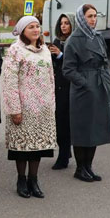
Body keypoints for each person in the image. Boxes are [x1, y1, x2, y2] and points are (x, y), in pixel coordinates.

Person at [2, 16, 57, 198]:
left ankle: (34, 180)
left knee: (38, 148)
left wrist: (52, 103)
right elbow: (10, 83)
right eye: (31, 27)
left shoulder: (45, 51)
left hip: (43, 109)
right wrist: (15, 110)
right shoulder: (15, 51)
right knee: (22, 148)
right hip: (24, 109)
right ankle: (21, 179)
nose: (35, 30)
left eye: (37, 26)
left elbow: (51, 79)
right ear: (22, 30)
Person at [63, 4, 110, 182]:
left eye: (94, 16)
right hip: (83, 90)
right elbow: (68, 69)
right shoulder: (74, 40)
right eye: (89, 16)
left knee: (95, 129)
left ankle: (89, 167)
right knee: (82, 129)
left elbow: (105, 61)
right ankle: (80, 168)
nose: (93, 19)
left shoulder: (98, 37)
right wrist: (85, 83)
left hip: (99, 86)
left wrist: (107, 79)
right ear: (81, 18)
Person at [49, 14, 73, 170]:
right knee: (59, 122)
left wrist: (60, 55)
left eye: (67, 23)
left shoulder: (75, 41)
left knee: (67, 122)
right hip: (58, 87)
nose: (64, 26)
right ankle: (64, 151)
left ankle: (65, 154)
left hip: (71, 87)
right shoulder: (57, 41)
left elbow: (75, 62)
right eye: (61, 23)